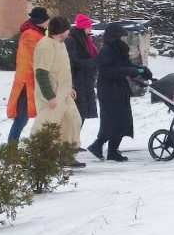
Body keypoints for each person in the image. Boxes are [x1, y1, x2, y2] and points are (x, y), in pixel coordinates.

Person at [88, 22, 152, 162]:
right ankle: (99, 146)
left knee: (122, 120)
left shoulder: (119, 50)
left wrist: (141, 70)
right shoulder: (106, 51)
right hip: (109, 90)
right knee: (112, 120)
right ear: (114, 36)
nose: (124, 38)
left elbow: (126, 65)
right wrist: (128, 71)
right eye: (122, 36)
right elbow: (107, 70)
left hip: (119, 88)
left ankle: (110, 151)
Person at [31, 16, 85, 168]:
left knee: (73, 120)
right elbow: (41, 72)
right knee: (46, 125)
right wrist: (50, 96)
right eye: (68, 29)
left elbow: (62, 70)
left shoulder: (60, 44)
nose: (69, 31)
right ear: (62, 31)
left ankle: (67, 155)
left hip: (64, 93)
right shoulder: (46, 45)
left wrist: (70, 87)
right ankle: (37, 155)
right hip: (51, 95)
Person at [7, 6, 51, 142]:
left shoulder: (37, 33)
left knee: (23, 117)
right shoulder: (31, 34)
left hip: (32, 81)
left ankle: (12, 148)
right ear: (40, 21)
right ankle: (12, 149)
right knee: (21, 118)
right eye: (46, 20)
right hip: (27, 82)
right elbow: (35, 58)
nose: (48, 22)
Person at [64, 14, 98, 144]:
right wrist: (92, 62)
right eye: (88, 27)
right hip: (77, 81)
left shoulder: (85, 40)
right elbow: (74, 61)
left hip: (85, 80)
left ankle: (75, 141)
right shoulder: (72, 40)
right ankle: (71, 141)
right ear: (83, 27)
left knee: (81, 113)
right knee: (77, 114)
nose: (90, 29)